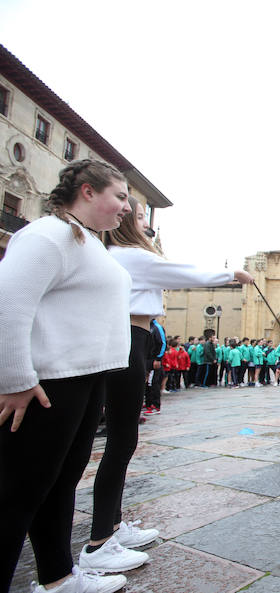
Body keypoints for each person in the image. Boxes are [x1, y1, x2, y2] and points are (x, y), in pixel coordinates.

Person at [78, 197, 253, 575]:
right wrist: (233, 275)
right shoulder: (131, 255)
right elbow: (184, 273)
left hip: (131, 340)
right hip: (127, 340)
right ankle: (100, 542)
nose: (147, 225)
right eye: (141, 218)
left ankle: (110, 527)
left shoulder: (118, 254)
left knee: (121, 440)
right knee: (122, 440)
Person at [0, 159, 133, 593]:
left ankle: (57, 579)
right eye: (121, 197)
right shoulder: (48, 235)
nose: (128, 209)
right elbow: (9, 306)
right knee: (20, 493)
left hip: (85, 378)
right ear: (89, 192)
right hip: (49, 384)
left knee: (59, 484)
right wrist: (15, 379)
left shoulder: (87, 241)